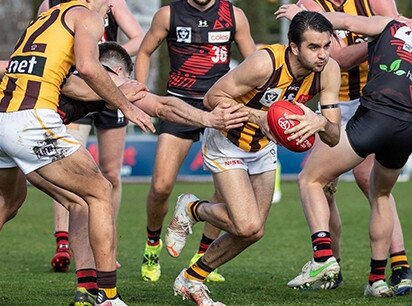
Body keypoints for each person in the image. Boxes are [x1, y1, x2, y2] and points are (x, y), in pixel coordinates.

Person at [164, 11, 342, 305]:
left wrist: (321, 123)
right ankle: (193, 209)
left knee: (253, 232)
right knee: (246, 224)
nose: (322, 55)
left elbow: (334, 137)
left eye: (326, 46)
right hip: (227, 141)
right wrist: (260, 116)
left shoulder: (329, 70)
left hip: (262, 148)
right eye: (313, 47)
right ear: (294, 47)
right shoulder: (265, 63)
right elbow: (212, 99)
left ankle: (191, 278)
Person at [276, 5, 412, 298]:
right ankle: (371, 277)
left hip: (371, 107)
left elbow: (338, 53)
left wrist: (299, 18)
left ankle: (325, 258)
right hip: (406, 121)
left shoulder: (380, 17)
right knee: (373, 192)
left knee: (312, 179)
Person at [0, 0, 155, 304]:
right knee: (100, 191)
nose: (110, 8)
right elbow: (87, 67)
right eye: (109, 5)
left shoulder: (43, 19)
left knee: (10, 201)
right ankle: (109, 296)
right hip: (32, 119)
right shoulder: (85, 16)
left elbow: (68, 79)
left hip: (3, 116)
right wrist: (126, 105)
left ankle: (86, 287)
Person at [135, 0, 256, 283]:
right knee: (161, 185)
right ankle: (152, 245)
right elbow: (143, 52)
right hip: (179, 104)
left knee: (225, 191)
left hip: (220, 106)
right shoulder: (168, 14)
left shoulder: (234, 15)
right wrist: (140, 95)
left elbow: (254, 63)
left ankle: (202, 255)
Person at [38, 0, 145, 273]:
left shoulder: (112, 2)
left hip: (108, 84)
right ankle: (63, 241)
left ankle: (105, 244)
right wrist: (80, 59)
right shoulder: (50, 4)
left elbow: (138, 38)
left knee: (111, 172)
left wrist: (103, 55)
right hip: (76, 87)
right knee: (66, 163)